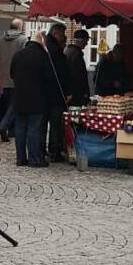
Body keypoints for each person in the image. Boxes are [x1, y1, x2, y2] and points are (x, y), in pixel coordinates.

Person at [10, 32, 53, 168]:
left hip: (19, 97)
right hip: (37, 99)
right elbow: (49, 77)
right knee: (34, 129)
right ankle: (34, 159)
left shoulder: (18, 55)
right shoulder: (43, 56)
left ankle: (21, 159)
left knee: (20, 129)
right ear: (41, 42)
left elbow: (12, 74)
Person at [0, 18, 27, 141]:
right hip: (17, 81)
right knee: (14, 107)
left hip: (2, 81)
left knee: (3, 107)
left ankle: (3, 126)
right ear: (20, 28)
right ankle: (9, 129)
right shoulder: (23, 41)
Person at [45, 24, 72, 162]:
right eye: (62, 34)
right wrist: (67, 91)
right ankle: (54, 151)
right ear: (56, 33)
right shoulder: (54, 49)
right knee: (56, 123)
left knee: (49, 123)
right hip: (55, 93)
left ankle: (50, 149)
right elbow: (61, 72)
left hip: (48, 92)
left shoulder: (47, 46)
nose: (63, 37)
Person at [64, 29, 91, 107]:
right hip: (76, 95)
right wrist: (85, 94)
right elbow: (78, 76)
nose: (87, 43)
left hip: (70, 93)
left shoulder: (68, 51)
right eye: (86, 40)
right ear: (81, 40)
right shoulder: (76, 55)